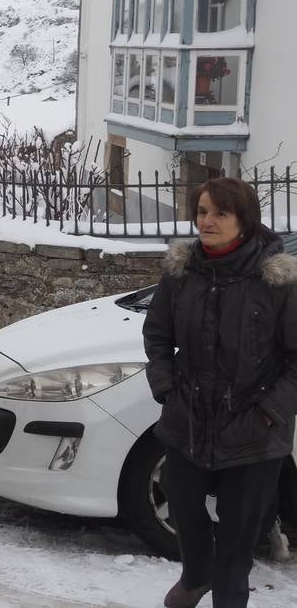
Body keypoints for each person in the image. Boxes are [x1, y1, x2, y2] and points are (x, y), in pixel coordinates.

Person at [143, 178, 297, 608]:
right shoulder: (182, 272)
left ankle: (228, 594)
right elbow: (156, 336)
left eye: (219, 213)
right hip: (187, 422)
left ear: (244, 221)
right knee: (186, 514)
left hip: (254, 432)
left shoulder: (277, 282)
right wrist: (166, 389)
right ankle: (196, 576)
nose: (205, 221)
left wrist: (268, 413)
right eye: (201, 211)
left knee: (236, 543)